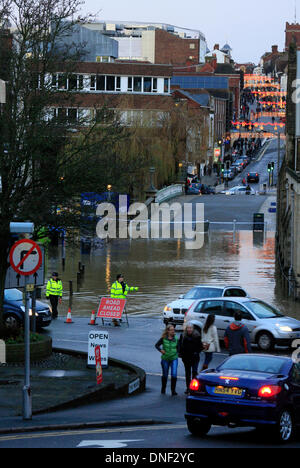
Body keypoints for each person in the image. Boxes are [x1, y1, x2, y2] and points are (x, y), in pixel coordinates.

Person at [155, 324, 179, 396]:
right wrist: (161, 350)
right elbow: (156, 345)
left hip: (174, 358)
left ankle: (173, 391)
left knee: (174, 375)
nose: (173, 331)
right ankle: (163, 389)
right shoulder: (163, 338)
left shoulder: (176, 338)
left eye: (173, 330)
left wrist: (177, 353)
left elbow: (179, 347)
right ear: (168, 331)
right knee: (165, 374)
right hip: (165, 359)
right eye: (171, 330)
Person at [179, 323, 203, 394]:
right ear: (186, 329)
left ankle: (194, 387)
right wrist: (181, 354)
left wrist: (197, 352)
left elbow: (200, 347)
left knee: (194, 372)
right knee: (187, 373)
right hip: (186, 357)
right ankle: (188, 388)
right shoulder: (183, 336)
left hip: (194, 357)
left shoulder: (197, 336)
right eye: (188, 328)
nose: (189, 329)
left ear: (193, 329)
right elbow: (180, 346)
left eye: (190, 328)